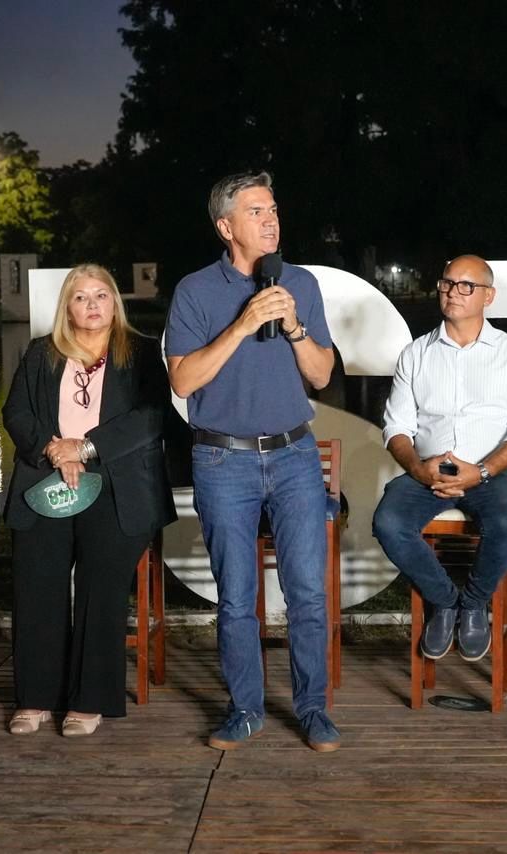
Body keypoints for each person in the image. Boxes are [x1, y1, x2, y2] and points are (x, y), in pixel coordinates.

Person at [164, 171, 340, 752]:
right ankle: (245, 710)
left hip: (294, 455)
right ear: (226, 227)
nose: (271, 220)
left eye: (273, 210)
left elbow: (321, 374)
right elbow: (183, 380)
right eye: (256, 211)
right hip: (223, 460)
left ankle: (313, 709)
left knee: (307, 593)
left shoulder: (301, 283)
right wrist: (242, 324)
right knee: (238, 597)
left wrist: (293, 326)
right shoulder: (195, 290)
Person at [1, 264, 176, 736]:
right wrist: (54, 449)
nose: (92, 304)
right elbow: (16, 412)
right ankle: (36, 697)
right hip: (48, 474)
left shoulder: (140, 352)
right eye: (81, 297)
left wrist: (86, 447)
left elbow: (151, 417)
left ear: (114, 302)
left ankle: (89, 701)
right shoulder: (41, 353)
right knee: (38, 580)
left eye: (101, 295)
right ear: (68, 307)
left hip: (118, 486)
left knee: (101, 583)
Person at [373, 255, 507, 660]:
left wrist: (481, 471)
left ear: (488, 297)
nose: (453, 292)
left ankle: (474, 604)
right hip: (429, 470)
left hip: (492, 471)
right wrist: (419, 469)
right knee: (388, 523)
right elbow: (396, 427)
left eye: (466, 285)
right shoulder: (416, 353)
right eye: (447, 283)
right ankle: (446, 602)